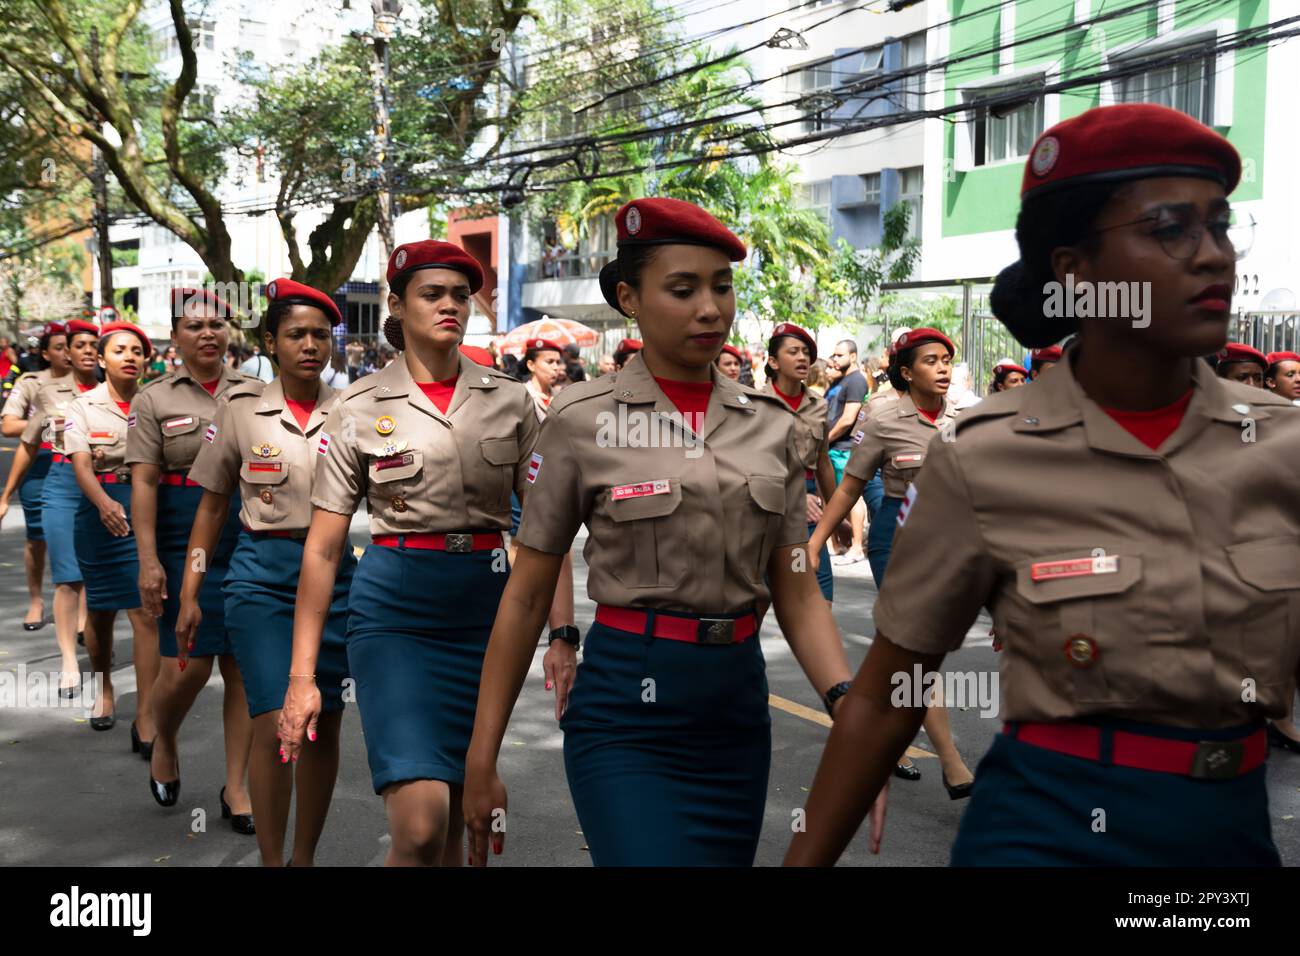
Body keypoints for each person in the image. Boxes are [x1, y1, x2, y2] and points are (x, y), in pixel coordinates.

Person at [786, 102, 1296, 867]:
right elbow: (890, 694)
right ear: (1075, 270)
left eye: (1219, 225)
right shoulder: (988, 455)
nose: (1213, 255)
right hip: (1045, 832)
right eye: (1169, 229)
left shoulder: (1282, 448)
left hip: (1228, 839)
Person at [462, 197, 855, 867]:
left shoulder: (770, 425)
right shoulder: (583, 419)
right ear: (629, 297)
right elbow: (527, 594)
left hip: (734, 710)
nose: (710, 308)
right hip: (626, 711)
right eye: (683, 289)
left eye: (721, 286)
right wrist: (481, 756)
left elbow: (796, 591)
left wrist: (849, 710)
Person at [276, 240, 540, 867]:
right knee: (421, 826)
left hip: (489, 614)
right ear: (396, 305)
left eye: (460, 294)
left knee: (455, 821)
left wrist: (561, 633)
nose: (451, 304)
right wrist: (302, 678)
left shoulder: (512, 399)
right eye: (432, 294)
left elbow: (543, 535)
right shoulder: (357, 407)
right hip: (395, 614)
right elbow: (323, 549)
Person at [179, 278, 349, 858]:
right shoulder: (241, 410)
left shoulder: (356, 410)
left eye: (321, 335)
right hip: (260, 576)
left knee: (323, 721)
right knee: (275, 716)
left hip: (336, 577)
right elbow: (212, 505)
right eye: (296, 334)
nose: (310, 345)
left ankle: (304, 857)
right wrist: (190, 591)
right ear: (270, 342)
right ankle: (274, 860)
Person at [808, 327, 975, 794]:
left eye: (946, 359)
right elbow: (849, 487)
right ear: (906, 372)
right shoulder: (884, 419)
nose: (943, 368)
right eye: (930, 361)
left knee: (899, 653)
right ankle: (951, 760)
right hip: (897, 542)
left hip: (954, 545)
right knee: (918, 651)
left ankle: (878, 727)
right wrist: (817, 540)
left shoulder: (966, 419)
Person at [127, 288, 253, 818]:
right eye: (195, 326)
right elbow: (144, 485)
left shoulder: (254, 392)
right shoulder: (153, 399)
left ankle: (236, 786)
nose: (208, 334)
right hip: (182, 538)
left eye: (217, 325)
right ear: (175, 337)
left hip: (245, 533)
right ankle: (166, 739)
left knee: (243, 665)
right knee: (188, 666)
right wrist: (149, 560)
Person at [65, 322, 158, 735]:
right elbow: (81, 464)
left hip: (146, 511)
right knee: (101, 613)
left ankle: (146, 714)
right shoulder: (82, 407)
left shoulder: (155, 402)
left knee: (144, 609)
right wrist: (104, 504)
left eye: (137, 351)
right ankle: (103, 683)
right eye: (120, 350)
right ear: (102, 359)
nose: (130, 357)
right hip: (98, 516)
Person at [3, 320, 101, 696]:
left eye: (95, 345)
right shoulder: (44, 391)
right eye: (76, 345)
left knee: (93, 571)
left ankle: (89, 632)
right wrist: (6, 494)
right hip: (56, 481)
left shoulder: (119, 392)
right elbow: (25, 441)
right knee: (64, 570)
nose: (85, 351)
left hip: (104, 487)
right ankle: (67, 662)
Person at [0, 322, 70, 634]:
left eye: (73, 346)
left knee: (79, 535)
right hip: (41, 463)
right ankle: (36, 600)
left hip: (84, 466)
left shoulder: (94, 382)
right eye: (59, 347)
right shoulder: (31, 382)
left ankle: (77, 606)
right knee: (37, 538)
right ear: (45, 353)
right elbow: (8, 426)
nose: (68, 353)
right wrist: (48, 425)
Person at [763, 322, 835, 605]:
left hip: (808, 506)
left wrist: (834, 512)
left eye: (806, 352)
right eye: (793, 352)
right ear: (773, 362)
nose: (803, 358)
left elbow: (823, 461)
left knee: (817, 593)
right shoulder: (753, 404)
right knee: (758, 600)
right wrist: (792, 495)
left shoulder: (818, 405)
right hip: (765, 502)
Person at [824, 339, 869, 564]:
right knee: (831, 497)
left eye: (839, 355)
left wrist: (824, 440)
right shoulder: (840, 380)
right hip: (831, 448)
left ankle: (858, 546)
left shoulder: (857, 381)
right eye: (834, 354)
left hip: (844, 448)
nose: (835, 358)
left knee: (852, 496)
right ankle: (837, 544)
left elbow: (848, 419)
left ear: (852, 356)